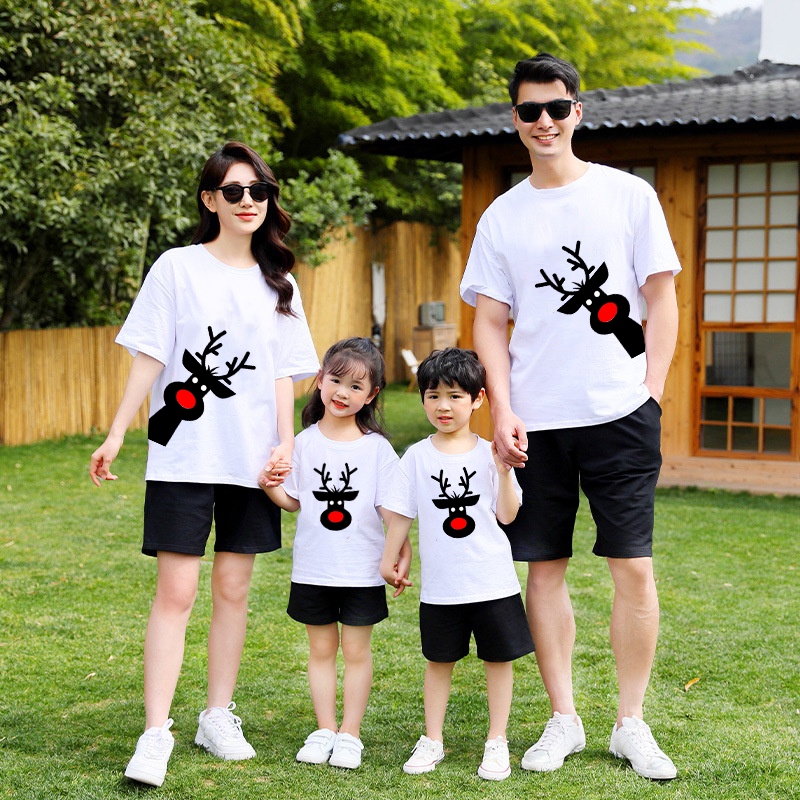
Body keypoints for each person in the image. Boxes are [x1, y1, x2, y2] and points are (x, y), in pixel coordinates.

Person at [459, 52, 681, 781]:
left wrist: (651, 389)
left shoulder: (628, 196)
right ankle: (564, 719)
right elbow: (490, 322)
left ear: (577, 112)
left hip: (621, 413)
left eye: (557, 108)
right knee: (543, 569)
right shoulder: (501, 216)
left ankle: (631, 723)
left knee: (633, 569)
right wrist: (502, 409)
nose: (545, 121)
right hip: (537, 421)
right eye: (531, 111)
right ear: (515, 120)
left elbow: (662, 298)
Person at [89, 141, 319, 787]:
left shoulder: (280, 282)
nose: (249, 201)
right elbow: (150, 355)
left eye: (259, 191)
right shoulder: (176, 267)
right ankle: (155, 731)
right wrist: (116, 432)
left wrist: (286, 445)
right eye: (234, 191)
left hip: (252, 463)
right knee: (177, 592)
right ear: (210, 199)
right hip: (183, 458)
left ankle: (217, 715)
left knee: (233, 591)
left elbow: (282, 372)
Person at [380, 348, 535, 782]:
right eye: (433, 396)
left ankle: (497, 740)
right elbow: (400, 514)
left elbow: (508, 515)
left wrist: (503, 472)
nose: (443, 406)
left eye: (454, 396)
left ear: (478, 399)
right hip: (441, 588)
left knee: (498, 661)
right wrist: (388, 559)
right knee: (438, 662)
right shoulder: (416, 457)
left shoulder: (492, 453)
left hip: (493, 583)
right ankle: (432, 739)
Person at [259, 337, 407, 770]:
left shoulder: (377, 449)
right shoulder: (301, 444)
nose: (343, 393)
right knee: (320, 651)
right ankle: (325, 729)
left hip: (362, 572)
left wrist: (401, 552)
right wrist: (268, 484)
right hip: (313, 570)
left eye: (356, 387)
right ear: (320, 380)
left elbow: (391, 509)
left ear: (371, 395)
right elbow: (292, 501)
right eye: (336, 380)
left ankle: (350, 734)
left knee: (357, 653)